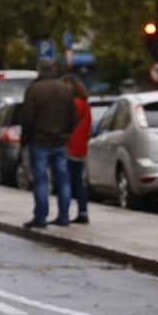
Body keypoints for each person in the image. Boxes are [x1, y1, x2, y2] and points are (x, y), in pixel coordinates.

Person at [18, 57, 77, 229]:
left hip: (40, 140)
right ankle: (64, 216)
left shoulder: (34, 89)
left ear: (39, 69)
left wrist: (27, 139)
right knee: (63, 179)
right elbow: (73, 116)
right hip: (61, 141)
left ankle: (41, 217)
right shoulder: (65, 89)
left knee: (41, 180)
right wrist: (65, 132)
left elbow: (27, 118)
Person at [62, 73, 92, 224]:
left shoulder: (75, 103)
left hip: (70, 146)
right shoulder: (85, 103)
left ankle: (66, 214)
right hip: (80, 146)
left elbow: (66, 122)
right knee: (78, 181)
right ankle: (82, 211)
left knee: (68, 181)